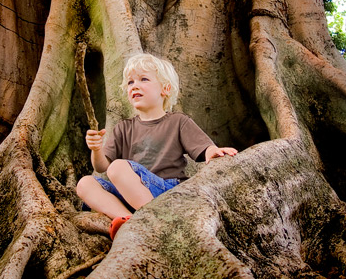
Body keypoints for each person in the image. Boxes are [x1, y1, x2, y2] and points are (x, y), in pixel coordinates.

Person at [76, 53, 238, 239]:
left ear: (165, 89)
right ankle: (129, 221)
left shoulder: (178, 121)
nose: (135, 85)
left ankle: (155, 220)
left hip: (166, 192)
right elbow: (101, 166)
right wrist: (96, 149)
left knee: (118, 167)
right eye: (130, 82)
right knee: (85, 183)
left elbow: (204, 148)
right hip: (130, 198)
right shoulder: (124, 127)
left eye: (144, 79)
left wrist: (214, 151)